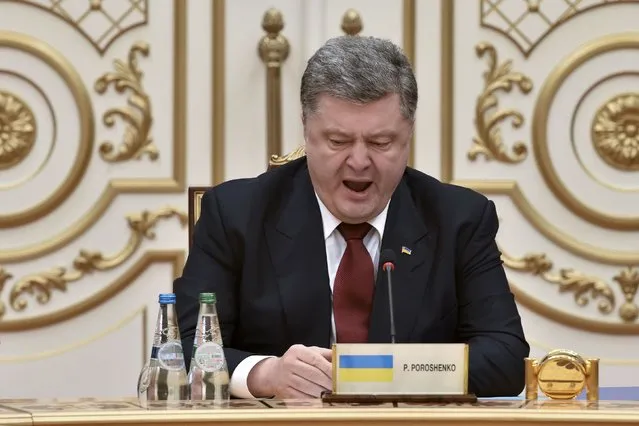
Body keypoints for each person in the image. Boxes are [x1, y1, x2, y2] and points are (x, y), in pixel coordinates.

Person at [173, 35, 529, 400]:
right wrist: (265, 374)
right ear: (306, 130)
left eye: (380, 143)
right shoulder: (237, 214)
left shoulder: (459, 219)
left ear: (408, 135)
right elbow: (182, 348)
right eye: (338, 141)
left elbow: (505, 358)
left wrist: (383, 375)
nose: (359, 162)